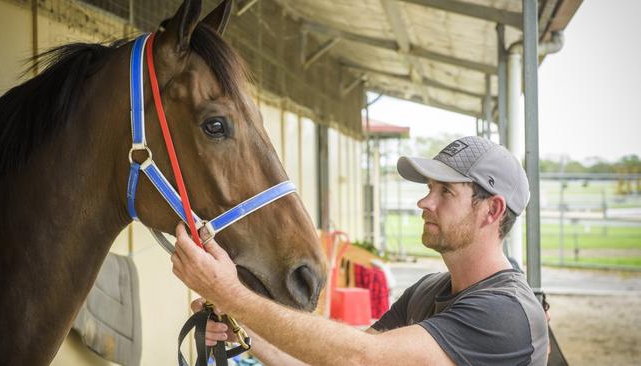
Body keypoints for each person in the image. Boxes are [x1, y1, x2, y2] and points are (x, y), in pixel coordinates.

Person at [171, 135, 549, 365]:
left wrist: (231, 294)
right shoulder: (430, 290)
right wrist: (246, 330)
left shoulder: (505, 312)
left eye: (445, 192)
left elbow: (363, 359)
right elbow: (333, 361)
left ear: (492, 210)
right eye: (430, 188)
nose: (424, 202)